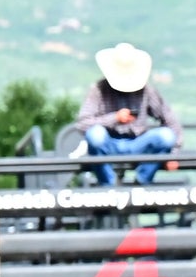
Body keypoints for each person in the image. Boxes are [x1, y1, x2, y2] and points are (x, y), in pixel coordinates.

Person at [78, 42, 181, 186]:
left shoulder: (146, 91)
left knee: (166, 136)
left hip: (138, 143)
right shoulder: (99, 89)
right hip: (109, 142)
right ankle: (108, 185)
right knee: (95, 135)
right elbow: (83, 123)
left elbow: (170, 120)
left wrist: (173, 155)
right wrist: (115, 118)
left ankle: (142, 181)